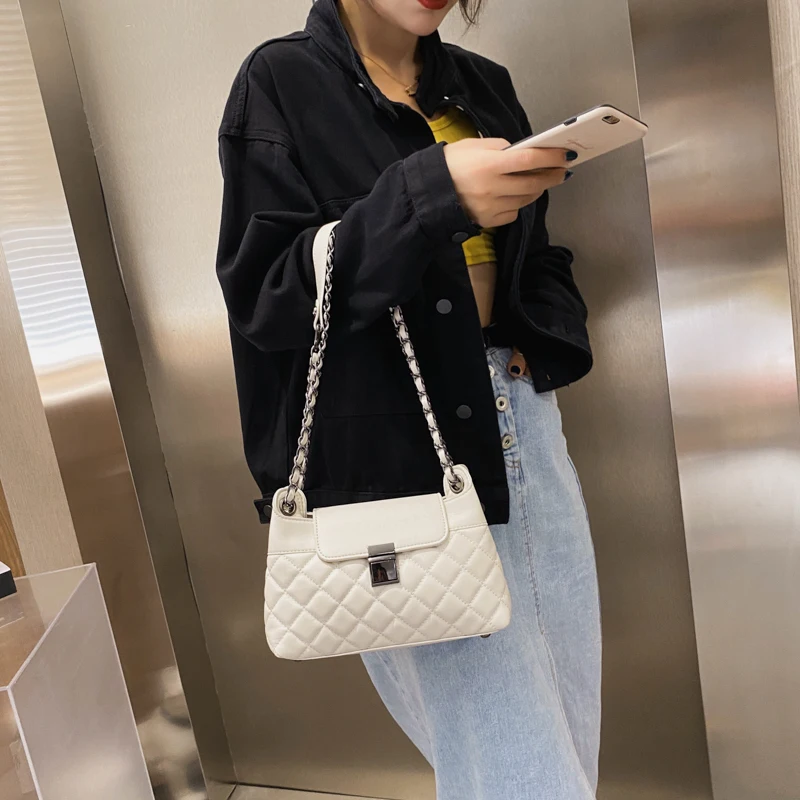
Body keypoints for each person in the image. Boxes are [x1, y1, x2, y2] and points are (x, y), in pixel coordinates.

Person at [216, 0, 601, 797]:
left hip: (526, 429)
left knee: (569, 731)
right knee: (517, 772)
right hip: (403, 463)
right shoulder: (282, 81)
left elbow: (535, 253)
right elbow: (267, 297)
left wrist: (540, 337)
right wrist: (432, 197)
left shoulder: (484, 87)